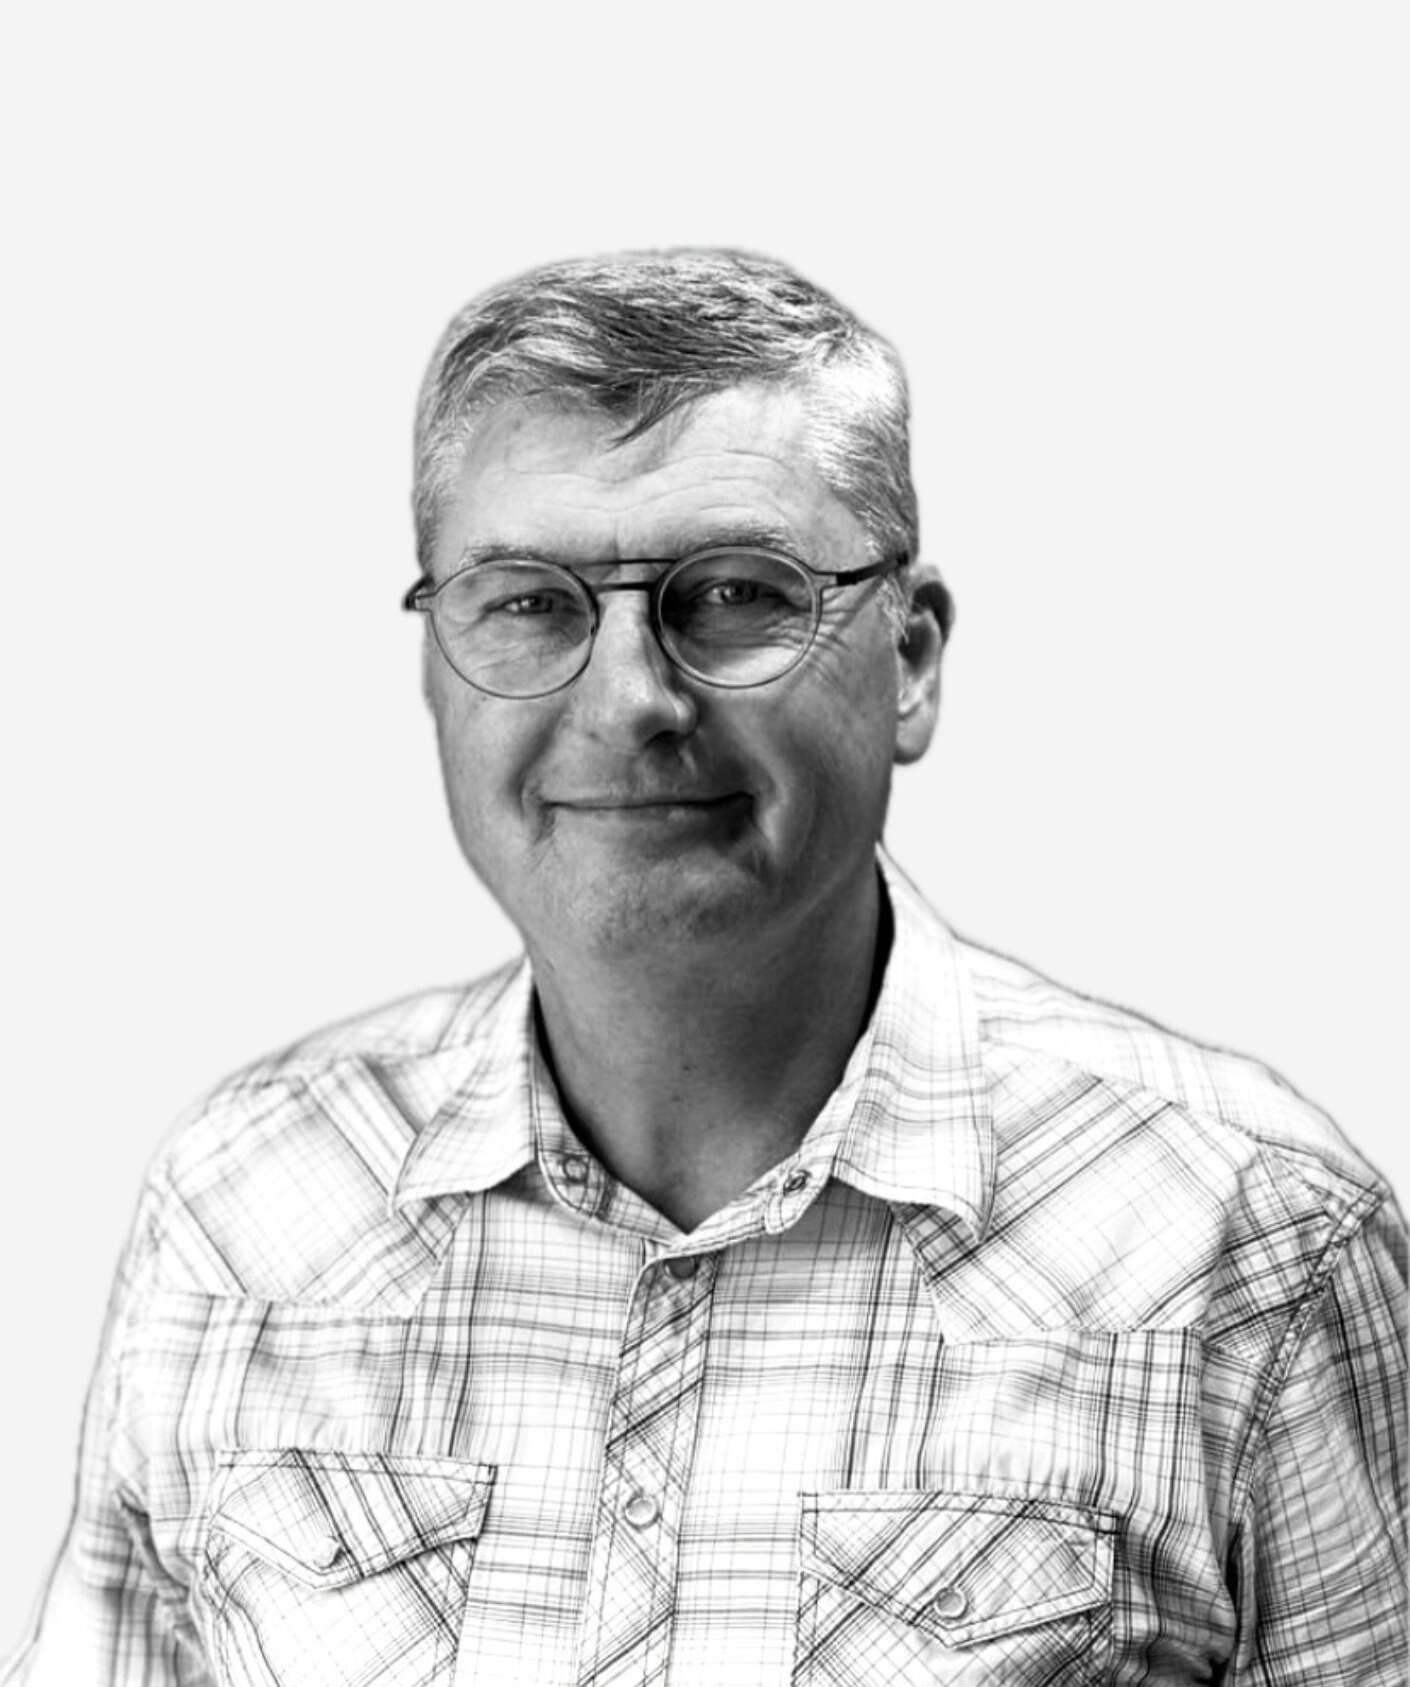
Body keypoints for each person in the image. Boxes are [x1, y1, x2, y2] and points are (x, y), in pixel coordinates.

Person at [5, 249, 1404, 1685]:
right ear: (434, 666)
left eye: (733, 594)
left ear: (911, 661)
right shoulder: (241, 1211)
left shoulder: (1250, 1247)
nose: (629, 700)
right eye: (529, 603)